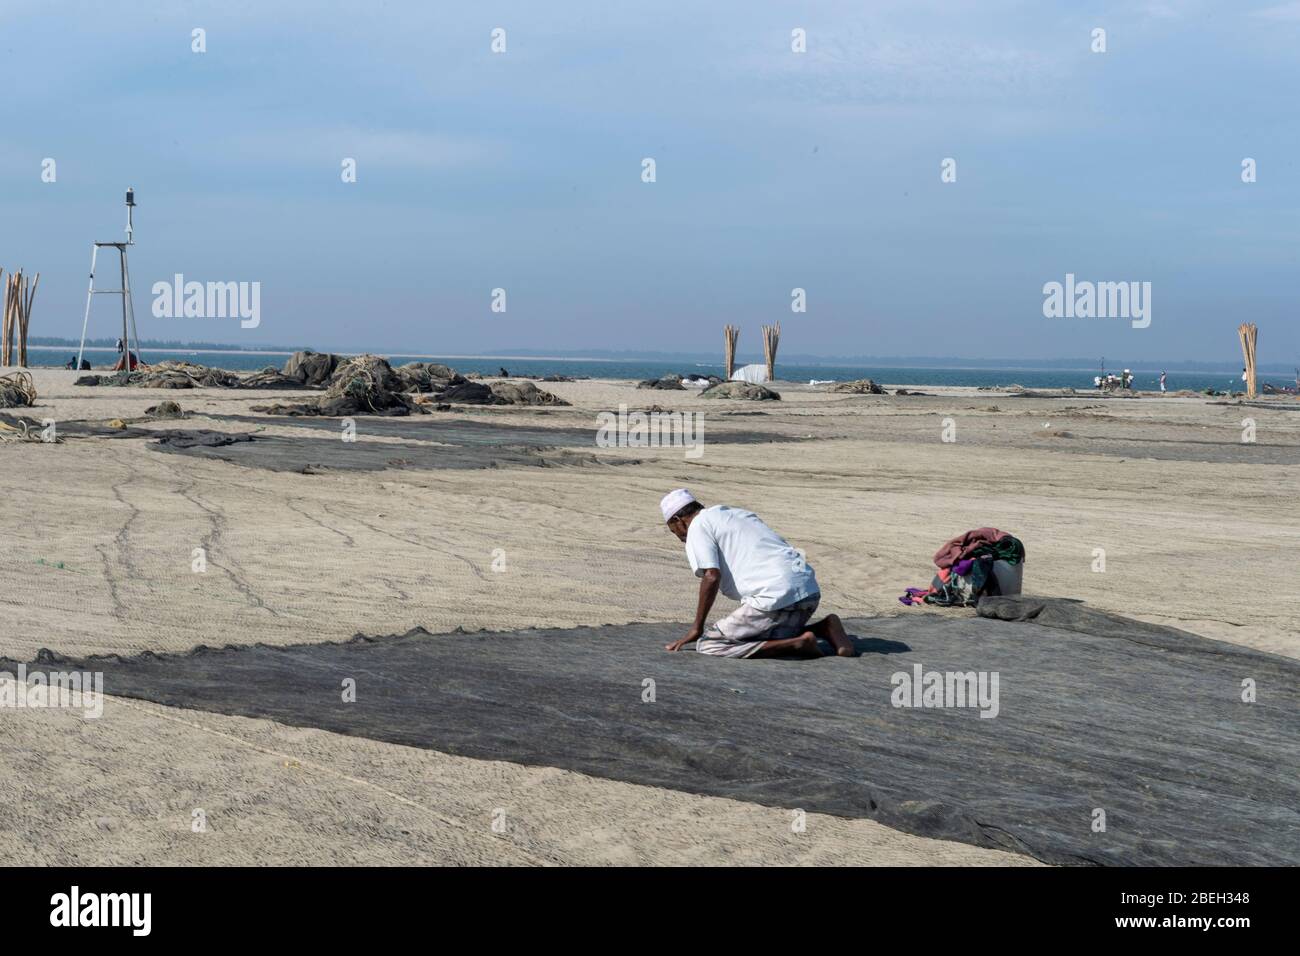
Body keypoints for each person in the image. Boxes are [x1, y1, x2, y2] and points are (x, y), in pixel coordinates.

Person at [659, 488, 854, 658]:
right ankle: (824, 627)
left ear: (678, 520)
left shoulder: (697, 526)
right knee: (756, 632)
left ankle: (797, 644)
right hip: (808, 592)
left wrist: (696, 627)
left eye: (673, 530)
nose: (678, 537)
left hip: (775, 597)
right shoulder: (733, 513)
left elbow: (711, 576)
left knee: (710, 644)